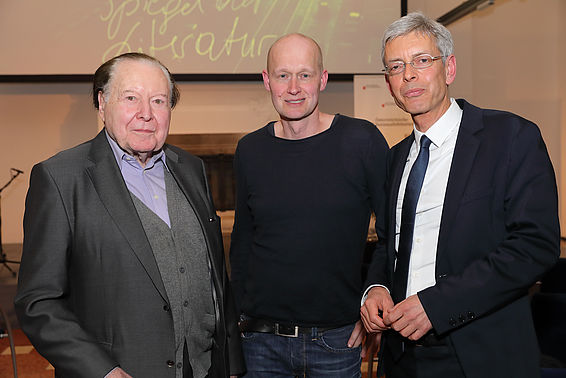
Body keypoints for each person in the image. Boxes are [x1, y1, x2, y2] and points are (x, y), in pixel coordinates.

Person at [15, 52, 245, 378]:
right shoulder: (61, 178)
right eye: (131, 98)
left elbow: (216, 278)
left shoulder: (192, 169)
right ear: (102, 102)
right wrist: (103, 370)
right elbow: (38, 301)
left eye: (159, 101)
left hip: (205, 369)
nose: (146, 114)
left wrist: (232, 364)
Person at [360, 12, 560, 378]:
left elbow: (535, 245)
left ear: (449, 68)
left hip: (481, 354)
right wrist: (376, 287)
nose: (409, 75)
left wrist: (438, 305)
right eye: (396, 66)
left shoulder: (510, 138)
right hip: (402, 356)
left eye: (422, 61)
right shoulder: (395, 158)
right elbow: (389, 245)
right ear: (389, 84)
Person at [229, 33, 389, 377]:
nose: (294, 87)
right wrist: (238, 324)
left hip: (336, 341)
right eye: (283, 75)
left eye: (305, 74)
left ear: (323, 79)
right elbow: (242, 244)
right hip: (260, 344)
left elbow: (393, 234)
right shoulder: (250, 151)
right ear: (266, 80)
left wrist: (370, 300)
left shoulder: (362, 141)